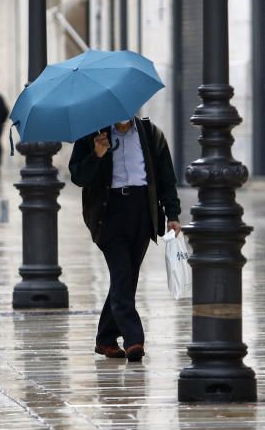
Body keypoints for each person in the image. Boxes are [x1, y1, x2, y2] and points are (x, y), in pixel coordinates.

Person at [69, 116, 182, 362]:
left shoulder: (151, 134)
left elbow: (166, 178)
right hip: (108, 213)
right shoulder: (91, 133)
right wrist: (96, 154)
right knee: (122, 273)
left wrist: (172, 214)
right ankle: (134, 339)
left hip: (143, 211)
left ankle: (105, 338)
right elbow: (77, 176)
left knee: (127, 277)